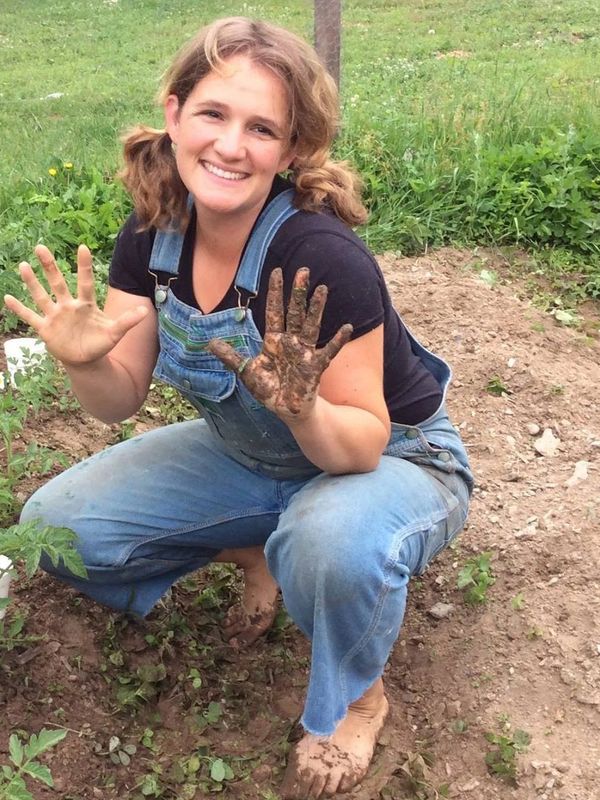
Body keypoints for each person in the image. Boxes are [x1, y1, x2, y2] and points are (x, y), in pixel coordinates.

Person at [4, 16, 473, 800]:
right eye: (214, 114)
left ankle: (358, 697)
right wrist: (85, 359)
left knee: (330, 545)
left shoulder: (321, 257)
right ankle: (260, 551)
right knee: (56, 531)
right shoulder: (152, 234)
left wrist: (302, 411)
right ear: (174, 111)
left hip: (390, 458)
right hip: (249, 453)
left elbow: (360, 442)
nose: (231, 145)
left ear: (289, 152)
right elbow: (117, 400)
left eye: (262, 129)